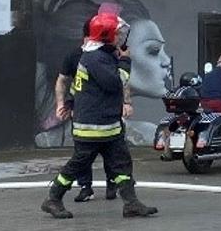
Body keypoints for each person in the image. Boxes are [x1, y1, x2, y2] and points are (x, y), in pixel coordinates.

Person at [43, 13, 157, 220]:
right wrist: (125, 63)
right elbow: (114, 84)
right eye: (117, 33)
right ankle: (53, 199)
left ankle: (131, 203)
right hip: (93, 127)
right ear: (105, 35)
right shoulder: (96, 58)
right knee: (78, 165)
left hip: (107, 125)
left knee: (122, 164)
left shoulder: (99, 55)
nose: (121, 37)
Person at [54, 17, 122, 203]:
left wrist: (127, 103)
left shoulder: (107, 54)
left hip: (101, 113)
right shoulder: (84, 56)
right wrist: (62, 104)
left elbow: (120, 82)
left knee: (112, 154)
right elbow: (63, 80)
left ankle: (113, 185)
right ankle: (84, 187)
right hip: (84, 113)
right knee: (82, 157)